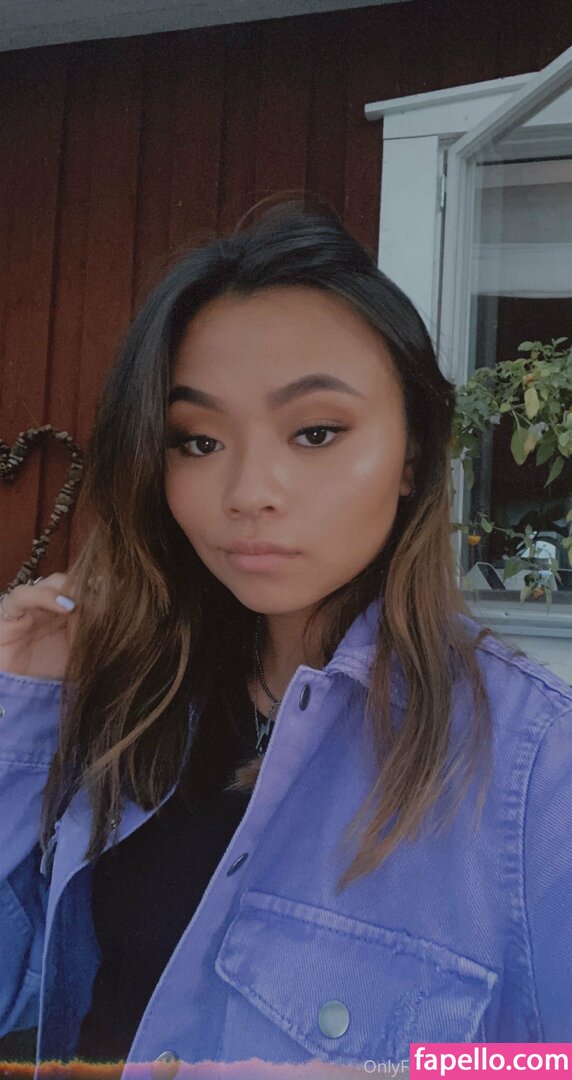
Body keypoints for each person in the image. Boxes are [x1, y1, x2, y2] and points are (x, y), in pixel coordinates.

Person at [0, 202, 571, 1078]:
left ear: (413, 452)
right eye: (198, 440)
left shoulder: (538, 767)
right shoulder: (138, 690)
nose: (247, 492)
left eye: (315, 432)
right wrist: (23, 708)